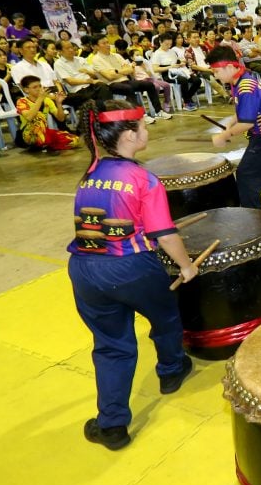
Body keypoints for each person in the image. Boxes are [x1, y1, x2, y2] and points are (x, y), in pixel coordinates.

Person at [68, 99, 198, 451]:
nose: (148, 130)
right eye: (143, 126)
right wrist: (187, 266)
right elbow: (165, 235)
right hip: (130, 268)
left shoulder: (91, 172)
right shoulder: (142, 178)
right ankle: (171, 371)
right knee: (166, 317)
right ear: (128, 135)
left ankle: (111, 425)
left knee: (111, 346)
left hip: (84, 269)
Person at [208, 45, 261, 209]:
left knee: (246, 176)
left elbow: (247, 123)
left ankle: (253, 220)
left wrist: (225, 135)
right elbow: (244, 111)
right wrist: (230, 122)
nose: (215, 76)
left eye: (216, 71)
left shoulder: (245, 86)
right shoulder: (239, 80)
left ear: (229, 67)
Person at [89, 37, 169, 123]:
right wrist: (122, 71)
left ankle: (158, 111)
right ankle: (140, 115)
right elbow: (109, 77)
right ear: (96, 46)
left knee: (149, 84)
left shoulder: (117, 56)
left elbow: (130, 70)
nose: (108, 45)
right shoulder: (96, 59)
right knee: (128, 88)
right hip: (111, 84)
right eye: (103, 43)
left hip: (125, 80)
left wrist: (116, 71)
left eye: (108, 42)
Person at [14, 75, 78, 151]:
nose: (39, 89)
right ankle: (43, 144)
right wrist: (40, 98)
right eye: (35, 87)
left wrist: (59, 104)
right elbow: (29, 117)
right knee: (38, 115)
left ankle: (45, 144)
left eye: (40, 86)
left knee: (73, 140)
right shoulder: (22, 101)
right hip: (26, 135)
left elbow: (60, 119)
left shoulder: (47, 100)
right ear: (26, 90)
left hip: (44, 132)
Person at [150, 33, 201, 111]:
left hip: (178, 71)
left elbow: (177, 61)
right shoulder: (157, 53)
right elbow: (155, 69)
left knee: (197, 80)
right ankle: (186, 103)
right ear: (160, 42)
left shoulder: (171, 51)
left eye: (170, 44)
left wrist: (182, 63)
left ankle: (187, 97)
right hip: (167, 74)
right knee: (183, 80)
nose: (169, 46)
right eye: (166, 44)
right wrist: (170, 67)